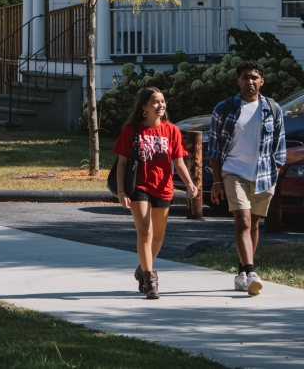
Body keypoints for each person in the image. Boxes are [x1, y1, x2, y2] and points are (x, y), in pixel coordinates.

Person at [208, 60, 287, 296]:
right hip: (233, 171)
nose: (249, 81)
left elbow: (279, 146)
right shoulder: (224, 108)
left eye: (254, 77)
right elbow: (214, 148)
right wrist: (217, 180)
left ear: (262, 81)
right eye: (245, 77)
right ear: (238, 81)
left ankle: (242, 273)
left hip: (264, 174)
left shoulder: (272, 109)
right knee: (242, 221)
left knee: (253, 224)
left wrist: (276, 171)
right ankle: (252, 272)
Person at [113, 87, 199, 300]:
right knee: (145, 232)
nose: (160, 105)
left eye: (162, 101)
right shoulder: (131, 130)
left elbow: (178, 162)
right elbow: (122, 162)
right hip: (138, 187)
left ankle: (143, 269)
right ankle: (151, 282)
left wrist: (189, 183)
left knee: (158, 237)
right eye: (155, 102)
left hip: (164, 186)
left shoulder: (172, 130)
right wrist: (122, 190)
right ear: (144, 107)